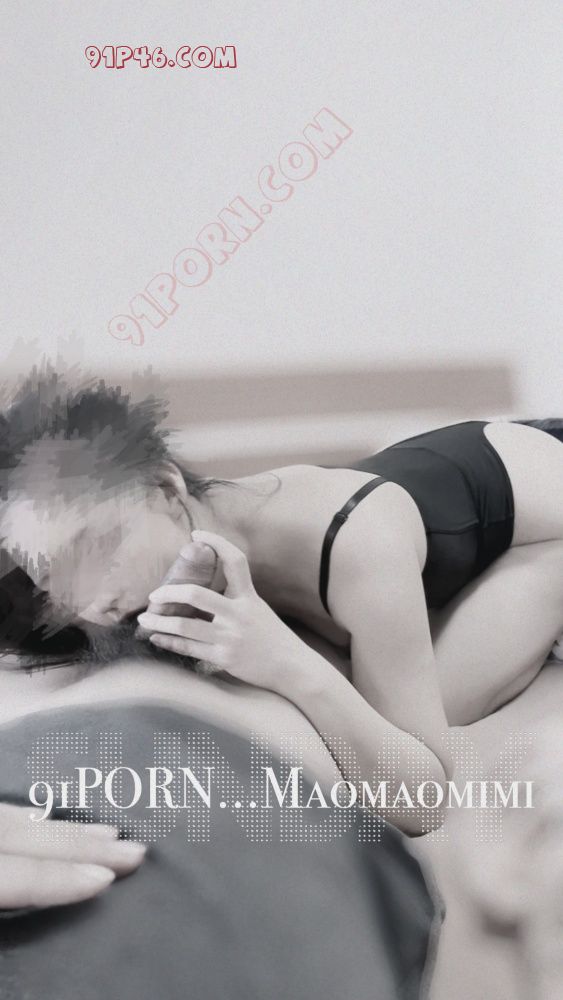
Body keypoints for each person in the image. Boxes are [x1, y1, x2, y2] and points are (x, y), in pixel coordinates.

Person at [2, 366, 563, 830]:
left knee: (393, 712)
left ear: (167, 488)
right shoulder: (196, 556)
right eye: (54, 579)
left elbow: (424, 802)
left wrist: (287, 663)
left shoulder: (355, 543)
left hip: (545, 511)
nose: (92, 601)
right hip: (474, 490)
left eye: (99, 546)